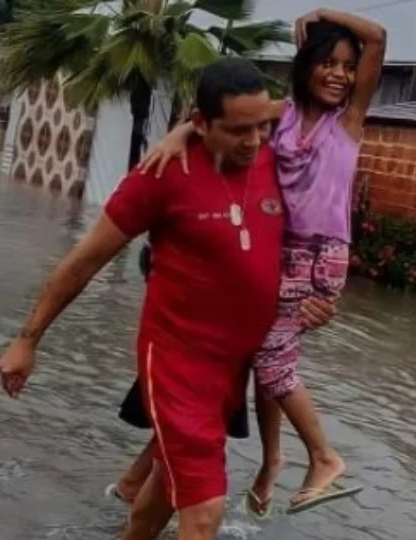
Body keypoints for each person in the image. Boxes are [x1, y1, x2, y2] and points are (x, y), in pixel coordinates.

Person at [0, 58, 293, 539]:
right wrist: (27, 340)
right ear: (201, 122)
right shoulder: (163, 173)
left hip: (234, 370)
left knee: (157, 500)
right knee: (204, 511)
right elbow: (85, 260)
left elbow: (333, 108)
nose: (254, 140)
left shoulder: (277, 156)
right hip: (177, 365)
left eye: (262, 126)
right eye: (239, 130)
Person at [139, 9, 387, 517]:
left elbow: (378, 37)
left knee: (270, 358)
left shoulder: (348, 121)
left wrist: (320, 14)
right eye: (328, 63)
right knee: (260, 350)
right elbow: (222, 118)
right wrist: (178, 135)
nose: (340, 74)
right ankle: (270, 463)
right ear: (306, 66)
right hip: (279, 247)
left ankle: (324, 457)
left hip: (317, 255)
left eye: (348, 66)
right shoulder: (284, 115)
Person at [109, 245, 338, 506]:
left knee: (215, 386)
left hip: (232, 277)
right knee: (198, 389)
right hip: (203, 273)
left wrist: (322, 290)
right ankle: (135, 486)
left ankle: (135, 487)